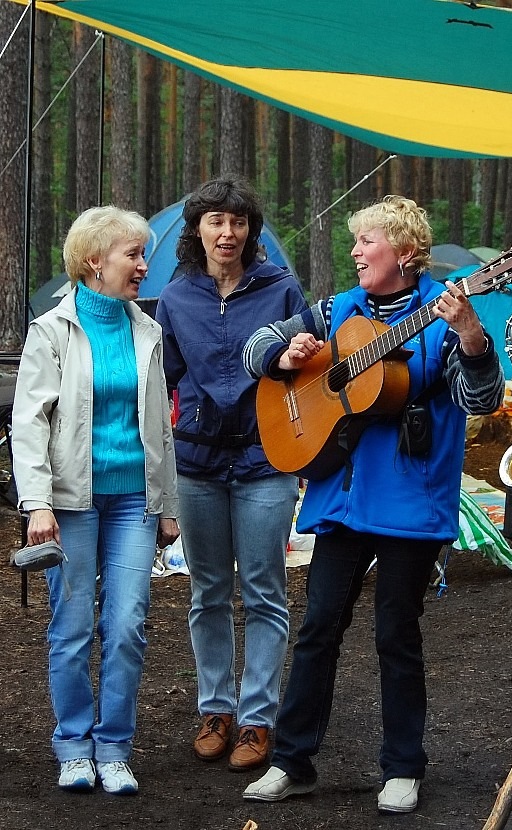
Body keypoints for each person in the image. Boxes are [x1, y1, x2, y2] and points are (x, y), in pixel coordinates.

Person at [240, 195, 504, 814]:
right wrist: (284, 356)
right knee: (317, 628)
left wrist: (471, 337)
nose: (355, 251)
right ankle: (292, 761)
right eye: (356, 241)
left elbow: (482, 400)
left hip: (411, 500)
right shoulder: (336, 309)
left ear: (406, 253)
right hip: (343, 496)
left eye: (368, 241)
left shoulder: (444, 314)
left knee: (395, 633)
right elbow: (256, 349)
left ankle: (403, 767)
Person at [12, 206, 180, 795]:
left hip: (135, 502)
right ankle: (72, 745)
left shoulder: (148, 331)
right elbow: (29, 423)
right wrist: (37, 503)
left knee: (128, 624)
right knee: (73, 626)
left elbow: (161, 426)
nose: (143, 266)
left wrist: (169, 504)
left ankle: (113, 748)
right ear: (94, 261)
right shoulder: (51, 332)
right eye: (133, 255)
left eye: (143, 254)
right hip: (71, 503)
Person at [155, 177, 308, 772]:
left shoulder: (281, 289)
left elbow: (307, 366)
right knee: (209, 591)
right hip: (196, 463)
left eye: (238, 222)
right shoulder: (175, 298)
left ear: (251, 231)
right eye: (216, 221)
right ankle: (215, 710)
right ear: (197, 230)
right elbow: (164, 381)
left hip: (265, 459)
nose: (228, 233)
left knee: (266, 590)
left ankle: (256, 718)